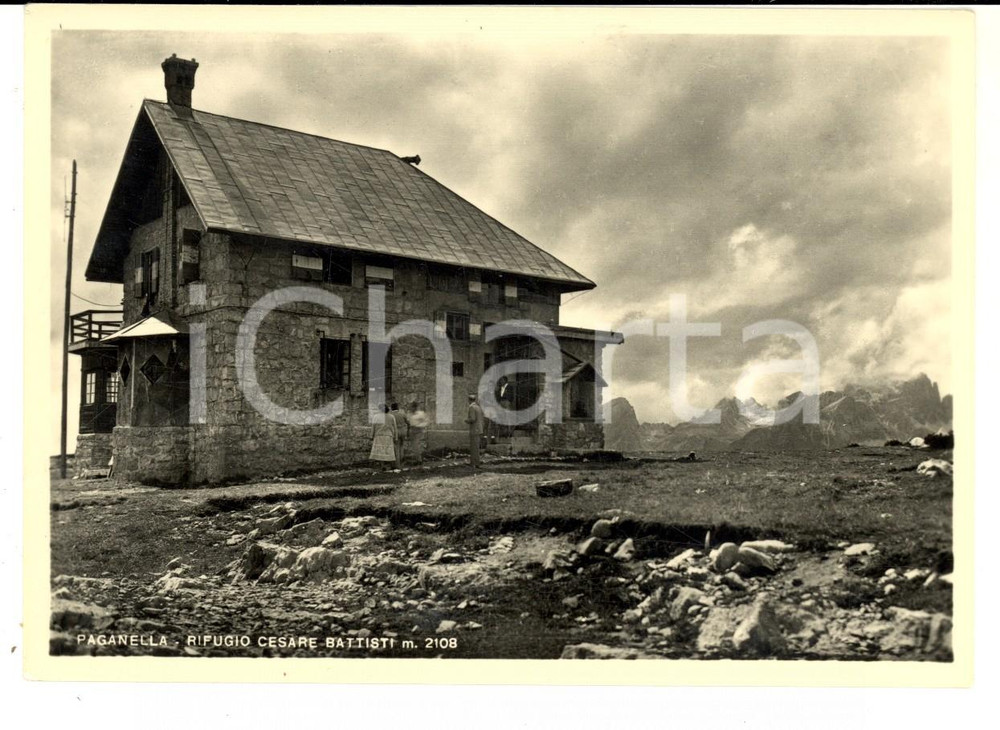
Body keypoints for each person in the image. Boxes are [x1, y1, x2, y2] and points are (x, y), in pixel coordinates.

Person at [369, 404, 397, 469]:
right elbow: (395, 427)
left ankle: (382, 465)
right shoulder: (391, 417)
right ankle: (392, 465)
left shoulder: (376, 416)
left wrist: (371, 436)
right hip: (388, 435)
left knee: (380, 451)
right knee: (389, 450)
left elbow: (373, 427)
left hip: (379, 435)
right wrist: (395, 437)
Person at [466, 393, 484, 468]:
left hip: (474, 429)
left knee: (473, 447)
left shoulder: (471, 407)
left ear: (469, 400)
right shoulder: (478, 407)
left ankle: (474, 463)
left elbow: (473, 419)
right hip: (479, 429)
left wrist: (467, 420)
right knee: (476, 447)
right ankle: (477, 462)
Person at [390, 402, 409, 469]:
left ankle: (398, 464)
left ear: (391, 408)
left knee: (396, 448)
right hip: (403, 431)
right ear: (397, 408)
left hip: (396, 432)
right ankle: (402, 461)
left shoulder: (391, 415)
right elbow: (408, 422)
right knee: (402, 446)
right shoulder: (402, 413)